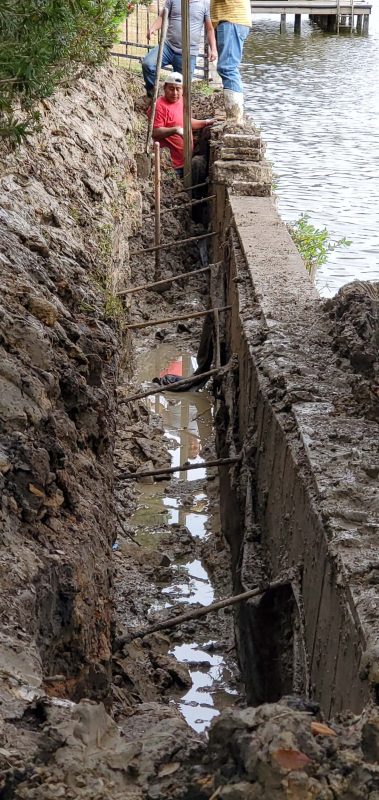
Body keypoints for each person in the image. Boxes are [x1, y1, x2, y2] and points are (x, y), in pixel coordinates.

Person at [142, 0, 217, 97]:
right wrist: (152, 29)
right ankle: (153, 94)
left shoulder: (204, 4)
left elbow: (210, 29)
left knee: (182, 87)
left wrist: (214, 49)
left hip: (188, 52)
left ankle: (176, 108)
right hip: (168, 47)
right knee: (148, 64)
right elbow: (162, 17)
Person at [150, 73, 215, 178]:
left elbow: (186, 121)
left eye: (178, 89)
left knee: (200, 164)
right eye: (171, 89)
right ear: (164, 88)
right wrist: (175, 130)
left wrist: (206, 122)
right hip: (173, 166)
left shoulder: (181, 101)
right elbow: (155, 132)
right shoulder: (159, 106)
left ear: (183, 90)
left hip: (187, 160)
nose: (175, 93)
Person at [210, 0, 252, 122]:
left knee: (228, 67)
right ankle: (234, 117)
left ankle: (235, 119)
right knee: (227, 67)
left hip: (232, 19)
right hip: (229, 19)